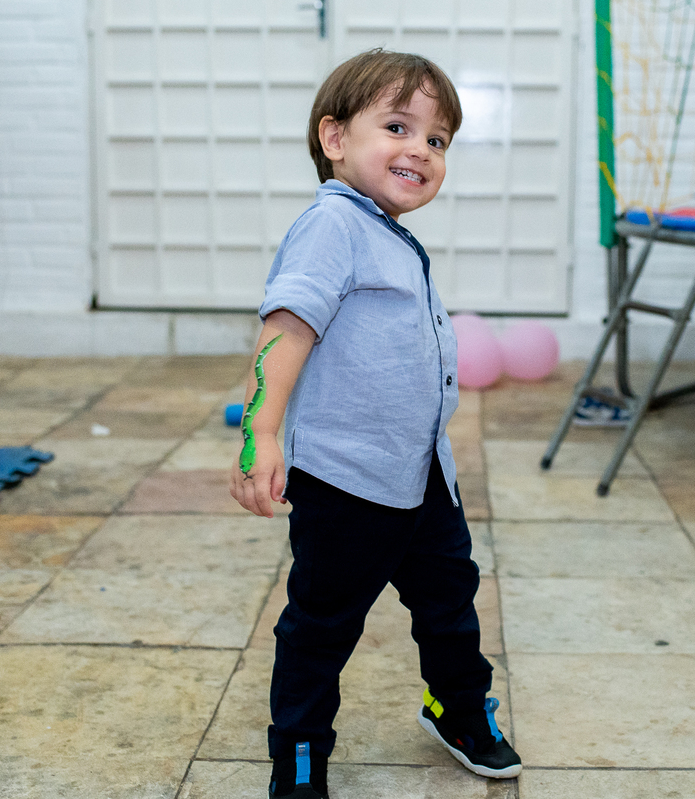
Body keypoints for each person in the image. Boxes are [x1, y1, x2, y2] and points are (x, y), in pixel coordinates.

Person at [229, 49, 521, 799]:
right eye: (398, 126)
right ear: (335, 139)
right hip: (346, 479)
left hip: (423, 472)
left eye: (437, 139)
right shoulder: (332, 224)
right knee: (321, 625)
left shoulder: (385, 230)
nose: (420, 150)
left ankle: (455, 710)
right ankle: (297, 754)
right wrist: (262, 433)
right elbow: (286, 331)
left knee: (449, 605)